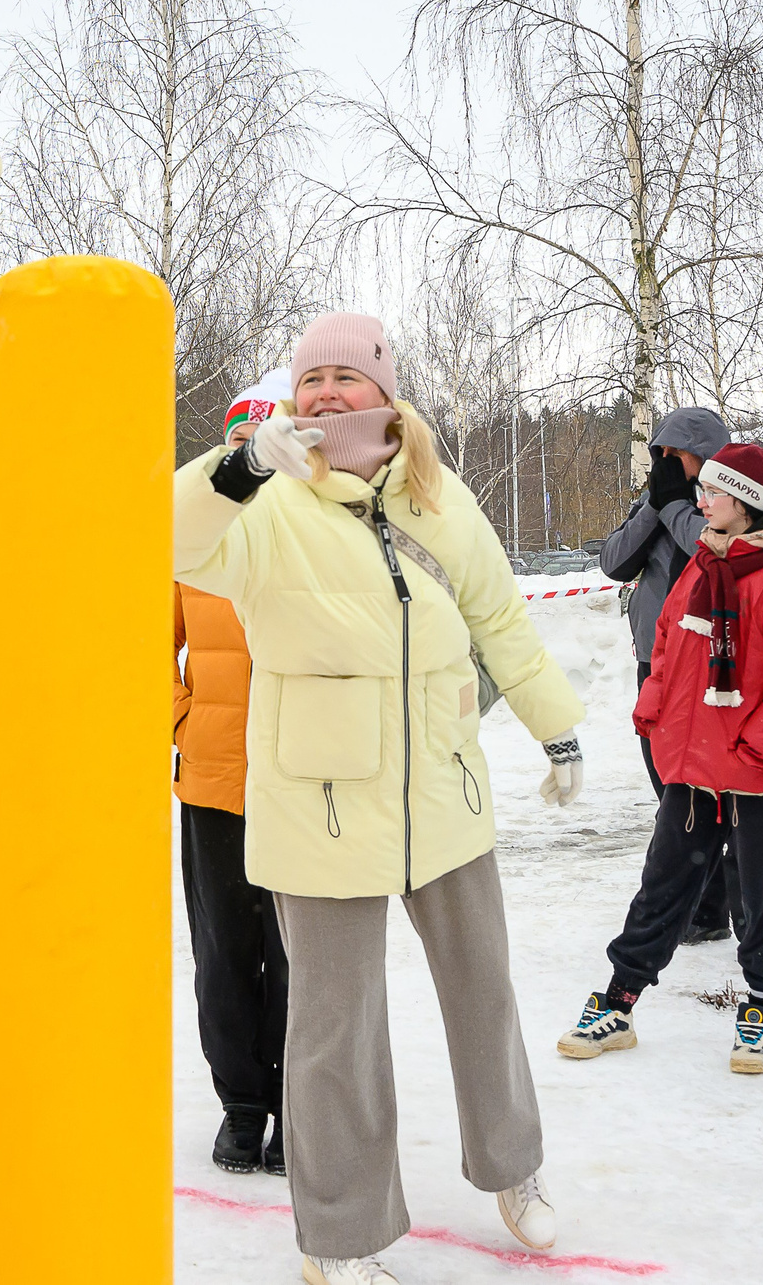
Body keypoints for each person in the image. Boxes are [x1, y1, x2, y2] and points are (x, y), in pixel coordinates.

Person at [175, 313, 586, 1285]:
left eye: (344, 378)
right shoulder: (266, 504)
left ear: (384, 393)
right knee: (333, 1033)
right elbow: (164, 541)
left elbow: (497, 614)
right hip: (320, 805)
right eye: (309, 378)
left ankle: (513, 1168)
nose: (323, 394)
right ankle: (340, 1238)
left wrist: (553, 722)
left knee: (484, 995)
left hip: (441, 790)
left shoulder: (437, 495)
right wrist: (238, 469)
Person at [557, 443, 763, 1075]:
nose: (700, 501)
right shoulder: (702, 564)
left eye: (713, 493)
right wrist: (654, 712)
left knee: (762, 893)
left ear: (747, 502)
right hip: (693, 766)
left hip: (761, 773)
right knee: (664, 884)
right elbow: (667, 644)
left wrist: (756, 747)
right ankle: (619, 999)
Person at [175, 368, 295, 1176]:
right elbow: (143, 647)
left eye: (264, 445)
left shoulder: (310, 532)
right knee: (223, 952)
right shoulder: (191, 538)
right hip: (214, 779)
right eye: (239, 445)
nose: (250, 460)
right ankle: (242, 1107)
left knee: (300, 956)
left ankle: (302, 1105)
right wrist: (179, 718)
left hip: (302, 776)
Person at [597, 405, 740, 944]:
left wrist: (676, 504)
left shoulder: (728, 501)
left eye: (673, 453)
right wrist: (656, 507)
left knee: (707, 790)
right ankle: (699, 904)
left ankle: (713, 907)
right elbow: (614, 561)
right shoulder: (660, 498)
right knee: (668, 785)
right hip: (654, 664)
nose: (663, 461)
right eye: (658, 451)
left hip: (707, 664)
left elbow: (711, 546)